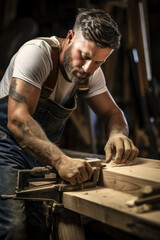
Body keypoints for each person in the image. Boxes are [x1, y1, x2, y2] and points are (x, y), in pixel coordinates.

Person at [0, 8, 139, 240]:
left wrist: (117, 135)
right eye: (84, 56)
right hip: (6, 148)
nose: (87, 69)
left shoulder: (90, 71)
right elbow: (17, 120)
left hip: (41, 155)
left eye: (98, 62)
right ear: (71, 37)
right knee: (13, 230)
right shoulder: (37, 54)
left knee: (40, 229)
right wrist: (60, 160)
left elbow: (113, 114)